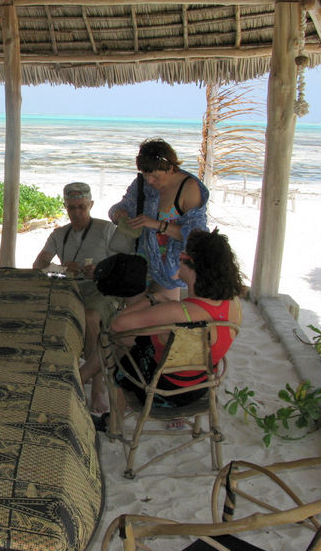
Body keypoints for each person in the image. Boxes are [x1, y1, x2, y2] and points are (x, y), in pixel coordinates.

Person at [81, 229, 243, 428]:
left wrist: (152, 298)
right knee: (126, 341)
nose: (177, 259)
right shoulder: (233, 303)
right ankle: (85, 382)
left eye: (181, 256)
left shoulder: (178, 311)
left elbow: (117, 324)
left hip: (163, 392)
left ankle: (109, 417)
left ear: (193, 266)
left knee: (115, 340)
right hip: (201, 385)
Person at [32, 182, 119, 414]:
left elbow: (122, 265)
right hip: (70, 287)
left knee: (90, 317)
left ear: (91, 205)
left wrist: (99, 271)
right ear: (66, 207)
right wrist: (60, 268)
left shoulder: (106, 229)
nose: (77, 212)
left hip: (101, 288)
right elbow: (38, 264)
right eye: (72, 208)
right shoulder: (60, 234)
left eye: (82, 207)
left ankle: (97, 387)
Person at [109, 137, 209, 303]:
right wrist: (117, 214)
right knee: (133, 315)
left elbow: (195, 235)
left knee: (163, 315)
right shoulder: (141, 183)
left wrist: (157, 225)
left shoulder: (188, 187)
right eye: (145, 175)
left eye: (155, 176)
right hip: (139, 261)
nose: (149, 181)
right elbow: (120, 206)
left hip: (170, 265)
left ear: (170, 168)